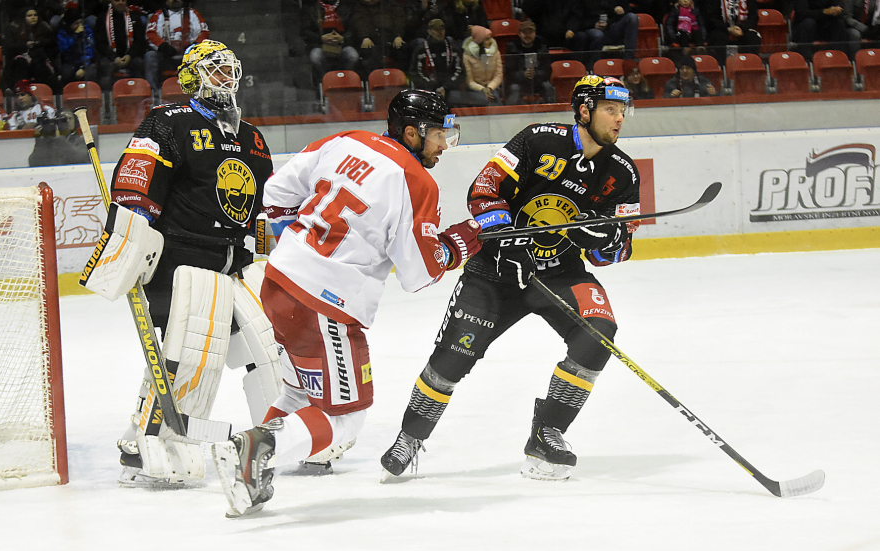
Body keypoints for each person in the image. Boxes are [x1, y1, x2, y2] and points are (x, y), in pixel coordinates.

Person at [210, 89, 483, 517]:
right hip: (325, 304)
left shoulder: (345, 141)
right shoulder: (416, 180)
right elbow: (420, 272)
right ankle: (254, 449)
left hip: (278, 282)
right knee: (345, 420)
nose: (442, 145)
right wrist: (459, 244)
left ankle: (252, 475)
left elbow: (276, 193)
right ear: (411, 133)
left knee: (299, 392)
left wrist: (297, 244)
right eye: (437, 135)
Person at [379, 75, 641, 483]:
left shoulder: (623, 174)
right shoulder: (539, 140)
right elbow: (483, 190)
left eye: (623, 110)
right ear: (584, 110)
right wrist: (509, 242)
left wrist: (605, 237)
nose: (620, 118)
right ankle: (409, 437)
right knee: (452, 359)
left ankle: (547, 433)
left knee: (599, 332)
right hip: (495, 273)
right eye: (611, 109)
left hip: (560, 274)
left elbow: (616, 251)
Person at [78, 40, 284, 487]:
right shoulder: (169, 121)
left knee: (263, 351)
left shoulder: (251, 137)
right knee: (193, 355)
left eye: (231, 70)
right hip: (182, 264)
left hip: (234, 265)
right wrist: (125, 248)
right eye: (215, 70)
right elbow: (136, 189)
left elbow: (264, 208)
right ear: (192, 77)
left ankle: (268, 434)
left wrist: (264, 251)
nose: (226, 79)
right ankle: (157, 439)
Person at [144, 0, 210, 90]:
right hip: (166, 57)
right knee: (150, 56)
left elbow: (204, 33)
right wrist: (163, 46)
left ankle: (202, 90)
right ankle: (153, 91)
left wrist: (194, 46)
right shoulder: (158, 15)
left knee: (205, 55)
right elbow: (150, 34)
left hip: (188, 57)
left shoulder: (193, 13)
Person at [301, 0, 360, 87]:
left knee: (352, 55)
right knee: (316, 56)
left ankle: (344, 81)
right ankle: (325, 83)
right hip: (319, 45)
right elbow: (305, 31)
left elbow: (354, 28)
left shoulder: (347, 7)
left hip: (343, 45)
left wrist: (342, 38)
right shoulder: (311, 8)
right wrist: (321, 38)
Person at [2, 6, 60, 91]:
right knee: (20, 63)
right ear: (24, 17)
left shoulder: (45, 28)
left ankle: (43, 91)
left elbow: (52, 46)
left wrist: (38, 43)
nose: (33, 17)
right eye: (29, 16)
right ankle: (20, 90)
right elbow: (10, 47)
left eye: (35, 15)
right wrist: (25, 45)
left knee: (40, 65)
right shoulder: (14, 30)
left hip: (39, 60)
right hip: (20, 61)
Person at [94, 0, 147, 91]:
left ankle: (140, 97)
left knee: (139, 63)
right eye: (117, 0)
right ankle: (107, 99)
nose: (121, 3)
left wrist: (129, 55)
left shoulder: (134, 16)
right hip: (110, 57)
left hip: (131, 56)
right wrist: (114, 57)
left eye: (123, 0)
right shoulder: (102, 18)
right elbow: (100, 43)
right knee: (105, 66)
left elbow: (140, 41)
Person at [408, 18, 466, 100]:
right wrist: (432, 87)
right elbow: (415, 74)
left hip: (450, 89)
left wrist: (446, 87)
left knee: (457, 97)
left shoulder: (453, 48)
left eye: (442, 29)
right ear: (429, 31)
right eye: (436, 30)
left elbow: (460, 73)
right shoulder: (420, 50)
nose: (440, 32)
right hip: (428, 89)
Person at [349, 0, 410, 76]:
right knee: (370, 52)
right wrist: (365, 36)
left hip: (390, 40)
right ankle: (375, 79)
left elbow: (399, 20)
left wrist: (398, 36)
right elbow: (359, 21)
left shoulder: (390, 4)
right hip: (371, 41)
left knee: (403, 49)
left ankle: (402, 79)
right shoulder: (358, 6)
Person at [572, 0, 640, 68]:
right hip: (592, 27)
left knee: (632, 17)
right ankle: (595, 67)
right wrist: (593, 24)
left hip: (611, 26)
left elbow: (626, 7)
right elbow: (577, 19)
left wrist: (622, 9)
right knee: (597, 35)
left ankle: (628, 61)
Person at [505, 19, 555, 105]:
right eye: (525, 33)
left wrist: (535, 73)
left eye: (530, 32)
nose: (527, 35)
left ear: (535, 33)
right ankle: (513, 115)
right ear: (519, 34)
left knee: (548, 86)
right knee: (514, 88)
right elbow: (509, 73)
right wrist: (523, 74)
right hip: (519, 83)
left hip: (538, 82)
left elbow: (547, 71)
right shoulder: (512, 48)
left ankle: (552, 112)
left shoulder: (542, 47)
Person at [792, 0, 860, 61]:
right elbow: (802, 12)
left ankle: (840, 58)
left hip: (825, 26)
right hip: (804, 27)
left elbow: (835, 7)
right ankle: (806, 60)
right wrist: (824, 12)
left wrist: (836, 11)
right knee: (808, 23)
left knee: (838, 23)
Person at [459, 25, 503, 105]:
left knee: (494, 97)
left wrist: (489, 88)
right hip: (475, 89)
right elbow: (470, 81)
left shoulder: (495, 52)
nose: (490, 41)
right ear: (479, 41)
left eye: (490, 38)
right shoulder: (467, 55)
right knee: (486, 99)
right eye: (486, 39)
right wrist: (483, 89)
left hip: (492, 87)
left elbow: (498, 75)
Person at [56, 9, 99, 85]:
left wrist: (82, 67)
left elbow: (89, 49)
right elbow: (64, 49)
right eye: (76, 23)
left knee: (91, 71)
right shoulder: (62, 33)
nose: (80, 26)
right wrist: (75, 36)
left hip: (85, 61)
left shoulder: (87, 30)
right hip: (69, 62)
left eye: (81, 23)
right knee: (67, 73)